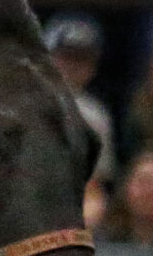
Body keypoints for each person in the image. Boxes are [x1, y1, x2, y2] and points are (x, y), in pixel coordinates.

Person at [44, 14, 116, 185]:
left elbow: (97, 179)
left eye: (82, 59)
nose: (73, 66)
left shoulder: (97, 115)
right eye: (66, 57)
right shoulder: (19, 100)